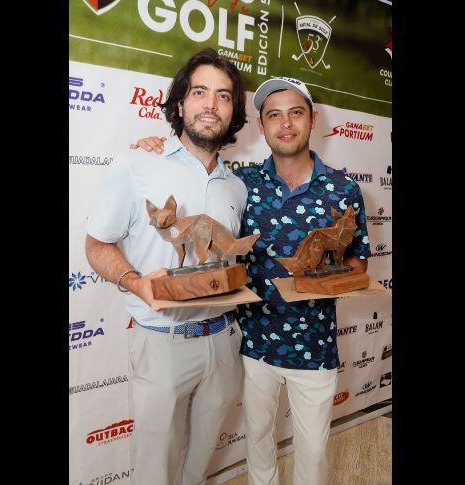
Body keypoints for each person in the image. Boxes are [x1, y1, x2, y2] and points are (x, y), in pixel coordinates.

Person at [133, 76, 372, 485]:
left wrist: (316, 279)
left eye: (295, 113)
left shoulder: (343, 189)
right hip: (253, 344)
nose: (285, 124)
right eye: (273, 115)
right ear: (261, 126)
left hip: (314, 348)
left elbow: (358, 266)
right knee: (258, 447)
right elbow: (193, 184)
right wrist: (151, 150)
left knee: (312, 455)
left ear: (312, 119)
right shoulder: (242, 184)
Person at [85, 48, 249, 485]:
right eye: (199, 92)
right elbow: (96, 245)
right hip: (162, 344)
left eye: (223, 96)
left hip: (224, 343)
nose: (210, 105)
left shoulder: (238, 186)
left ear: (233, 113)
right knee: (155, 472)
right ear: (180, 104)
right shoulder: (138, 164)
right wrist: (138, 284)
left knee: (197, 467)